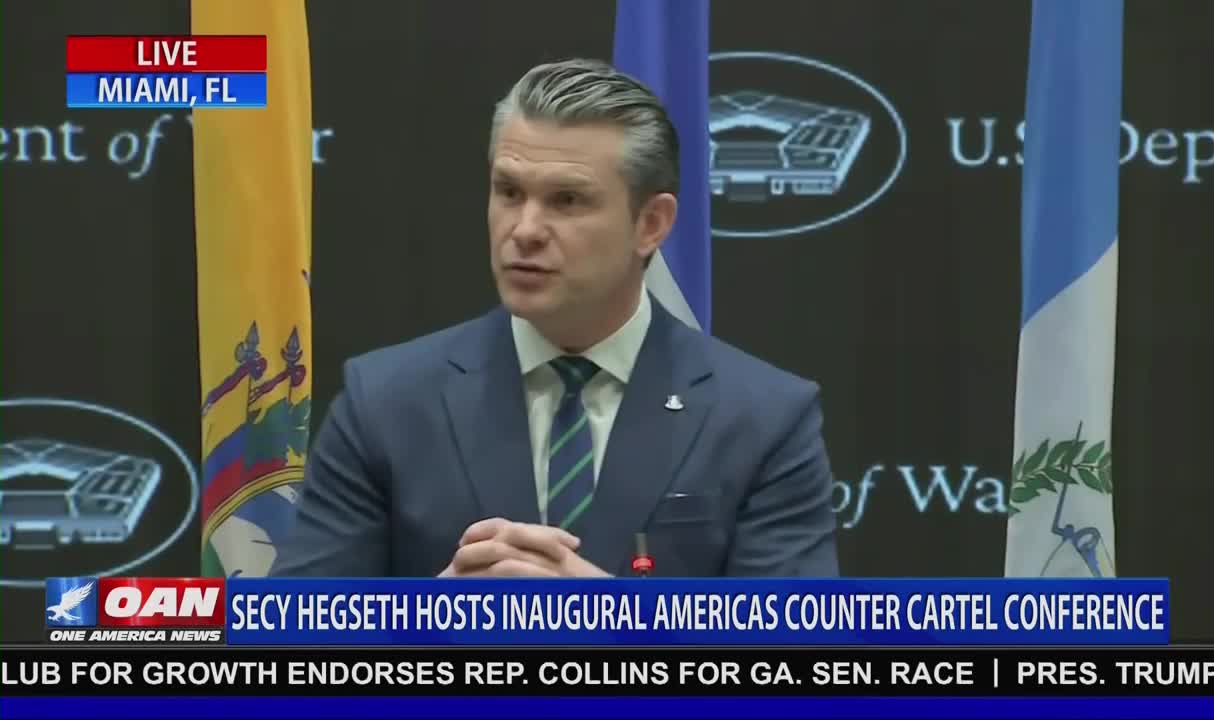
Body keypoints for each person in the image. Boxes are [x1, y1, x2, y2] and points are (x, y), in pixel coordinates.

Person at [271, 59, 838, 578]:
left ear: (652, 224)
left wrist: (608, 623)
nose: (524, 229)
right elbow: (290, 652)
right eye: (509, 191)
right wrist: (432, 623)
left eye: (567, 200)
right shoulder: (385, 402)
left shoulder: (764, 419)